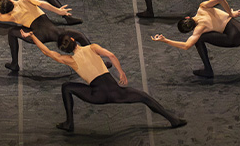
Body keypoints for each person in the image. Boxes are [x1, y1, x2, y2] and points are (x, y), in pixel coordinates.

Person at [23, 33, 186, 132]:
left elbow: (47, 52)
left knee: (67, 87)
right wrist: (121, 72)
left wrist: (32, 36)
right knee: (144, 97)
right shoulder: (92, 48)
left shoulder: (69, 60)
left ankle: (69, 123)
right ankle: (173, 120)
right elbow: (111, 55)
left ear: (64, 50)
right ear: (73, 39)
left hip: (96, 96)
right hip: (116, 93)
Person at [0, 0, 88, 73]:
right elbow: (42, 3)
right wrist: (58, 11)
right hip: (54, 31)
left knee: (12, 32)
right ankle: (93, 57)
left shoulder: (10, 16)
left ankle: (14, 64)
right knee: (79, 36)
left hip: (38, 35)